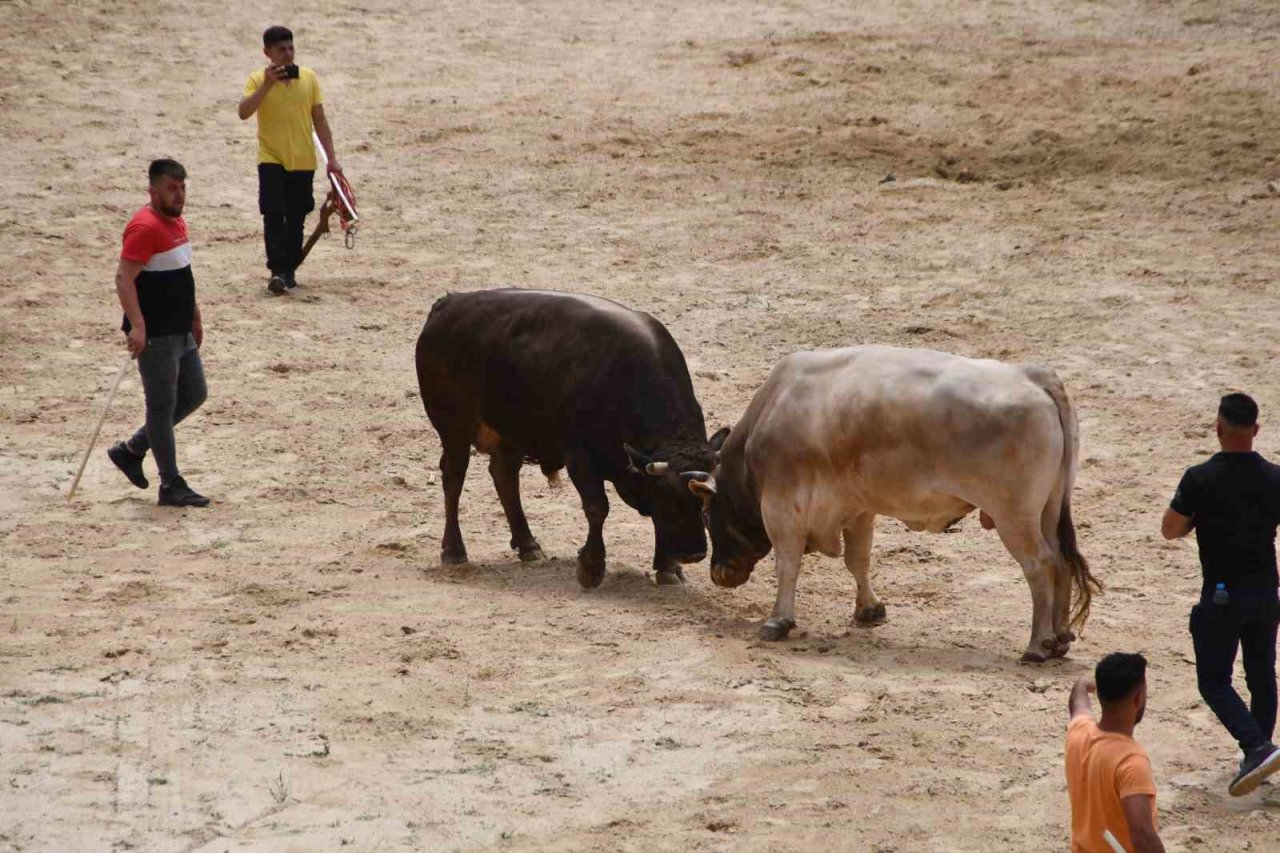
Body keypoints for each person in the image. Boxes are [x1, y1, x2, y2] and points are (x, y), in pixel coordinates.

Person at [1163, 392, 1280, 795]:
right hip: (1266, 591)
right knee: (1262, 676)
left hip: (1221, 593)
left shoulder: (1199, 478)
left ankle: (1256, 747)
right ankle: (1261, 758)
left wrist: (1198, 519)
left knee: (1213, 680)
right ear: (1256, 430)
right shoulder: (1276, 477)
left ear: (1218, 429)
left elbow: (1170, 529)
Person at [106, 159, 210, 508]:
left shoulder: (176, 221)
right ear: (153, 190)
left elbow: (183, 273)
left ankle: (132, 450)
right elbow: (124, 278)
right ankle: (170, 484)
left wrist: (194, 316)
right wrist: (137, 324)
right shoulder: (144, 227)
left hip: (180, 329)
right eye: (171, 188)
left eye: (182, 187)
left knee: (194, 394)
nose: (178, 194)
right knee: (162, 406)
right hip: (157, 335)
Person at [237, 25, 341, 294]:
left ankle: (288, 271)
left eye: (291, 48)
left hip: (304, 159)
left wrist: (332, 159)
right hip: (270, 156)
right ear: (267, 52)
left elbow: (319, 119)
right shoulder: (257, 80)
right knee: (272, 213)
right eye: (281, 49)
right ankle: (276, 270)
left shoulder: (308, 78)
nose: (287, 54)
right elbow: (244, 112)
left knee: (296, 216)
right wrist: (267, 84)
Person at [1065, 653, 1163, 853]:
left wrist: (1088, 684)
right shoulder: (1131, 762)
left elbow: (1078, 696)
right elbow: (1142, 835)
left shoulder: (1079, 732)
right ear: (1138, 698)